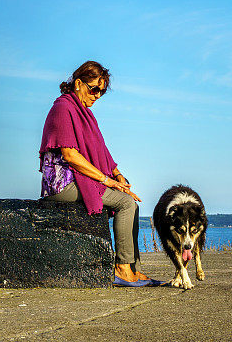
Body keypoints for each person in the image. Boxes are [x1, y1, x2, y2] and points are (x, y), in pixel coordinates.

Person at [39, 61, 161, 287]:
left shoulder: (85, 113)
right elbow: (70, 155)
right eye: (94, 89)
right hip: (62, 183)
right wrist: (107, 181)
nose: (97, 95)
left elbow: (99, 148)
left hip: (79, 178)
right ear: (78, 83)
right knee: (125, 203)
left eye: (102, 92)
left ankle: (135, 269)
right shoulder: (63, 108)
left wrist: (117, 174)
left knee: (131, 202)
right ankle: (122, 268)